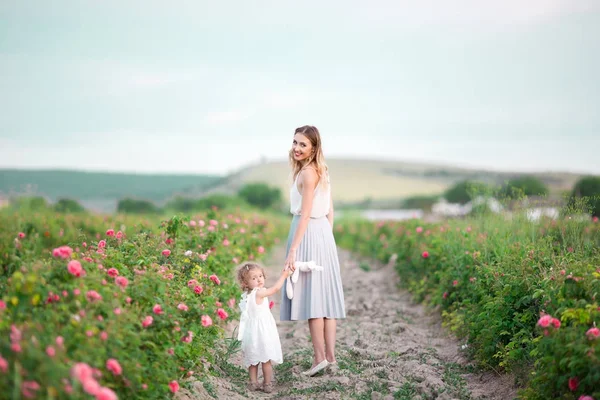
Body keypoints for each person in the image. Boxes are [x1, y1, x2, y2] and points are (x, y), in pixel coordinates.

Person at [280, 125, 346, 377]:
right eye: (295, 142)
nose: (296, 148)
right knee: (326, 299)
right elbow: (330, 210)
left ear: (314, 148)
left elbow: (305, 213)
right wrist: (325, 237)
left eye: (303, 144)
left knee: (313, 301)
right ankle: (330, 356)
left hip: (307, 232)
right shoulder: (322, 170)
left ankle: (319, 358)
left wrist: (293, 249)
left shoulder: (308, 174)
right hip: (323, 234)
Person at [237, 262, 290, 393]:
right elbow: (275, 289)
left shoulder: (247, 296)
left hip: (252, 332)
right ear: (245, 283)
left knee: (253, 359)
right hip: (263, 332)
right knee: (266, 359)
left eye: (260, 276)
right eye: (254, 278)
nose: (259, 279)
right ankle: (267, 384)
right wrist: (284, 276)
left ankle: (253, 382)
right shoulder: (259, 292)